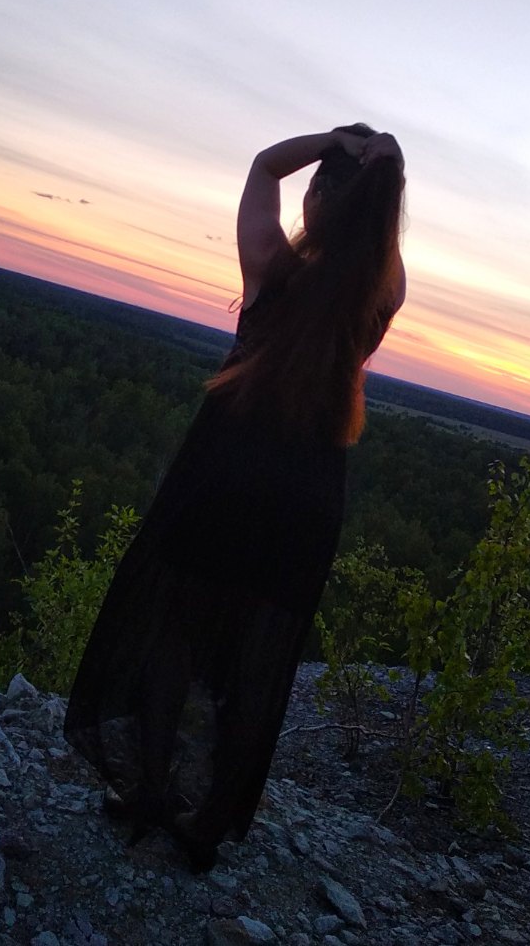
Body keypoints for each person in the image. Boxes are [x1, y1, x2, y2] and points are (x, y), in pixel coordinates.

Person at [64, 124, 406, 871]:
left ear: (316, 202)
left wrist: (330, 139)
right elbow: (377, 242)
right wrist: (385, 176)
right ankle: (208, 824)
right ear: (382, 218)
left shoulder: (272, 271)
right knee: (255, 656)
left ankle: (150, 789)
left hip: (223, 477)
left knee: (174, 635)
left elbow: (262, 168)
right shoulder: (375, 304)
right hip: (307, 502)